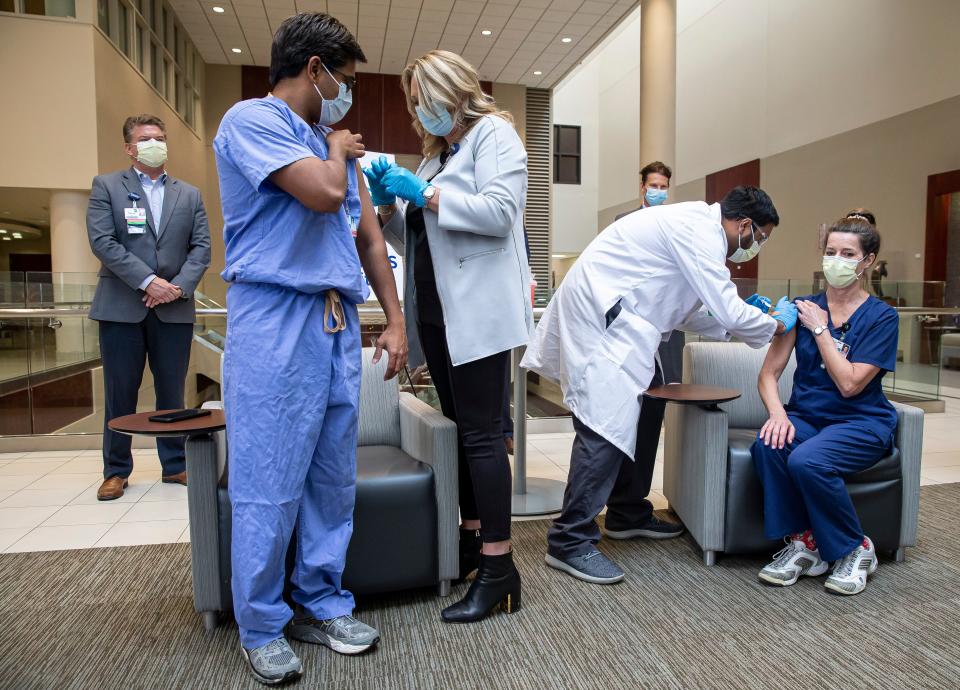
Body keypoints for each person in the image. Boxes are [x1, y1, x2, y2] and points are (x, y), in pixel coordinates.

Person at [213, 13, 407, 685]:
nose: (348, 93)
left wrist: (395, 319)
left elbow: (370, 239)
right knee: (268, 479)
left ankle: (322, 600)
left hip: (334, 324)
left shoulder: (332, 144)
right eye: (345, 79)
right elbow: (325, 196)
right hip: (273, 320)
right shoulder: (251, 122)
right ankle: (262, 623)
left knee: (331, 477)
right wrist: (339, 152)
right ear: (315, 69)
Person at [522, 186, 798, 584]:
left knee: (650, 407)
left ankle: (626, 511)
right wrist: (773, 324)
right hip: (605, 325)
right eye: (760, 237)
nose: (755, 246)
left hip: (629, 325)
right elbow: (723, 305)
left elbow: (691, 311)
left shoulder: (697, 233)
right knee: (604, 429)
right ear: (745, 224)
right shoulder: (700, 231)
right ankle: (569, 540)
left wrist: (737, 318)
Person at [364, 50, 533, 623]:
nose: (418, 108)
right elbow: (425, 238)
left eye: (423, 95)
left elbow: (500, 212)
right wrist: (389, 203)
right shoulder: (439, 156)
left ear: (453, 89)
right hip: (436, 313)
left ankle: (500, 569)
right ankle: (470, 542)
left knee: (484, 438)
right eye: (412, 99)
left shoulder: (495, 136)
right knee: (464, 433)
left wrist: (425, 195)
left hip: (479, 315)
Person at [752, 212, 897, 596]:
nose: (836, 260)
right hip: (808, 417)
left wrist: (820, 329)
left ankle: (856, 547)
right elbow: (768, 375)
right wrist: (778, 414)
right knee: (769, 443)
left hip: (861, 422)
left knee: (808, 460)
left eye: (847, 253)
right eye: (830, 251)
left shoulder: (882, 318)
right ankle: (806, 544)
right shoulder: (802, 308)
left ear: (867, 262)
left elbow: (850, 384)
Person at [86, 114, 211, 501]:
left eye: (159, 137)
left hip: (173, 308)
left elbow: (202, 247)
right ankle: (116, 471)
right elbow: (103, 241)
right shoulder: (107, 186)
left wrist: (175, 288)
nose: (154, 144)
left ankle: (174, 465)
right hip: (122, 308)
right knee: (120, 391)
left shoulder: (188, 194)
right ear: (129, 147)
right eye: (145, 139)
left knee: (172, 391)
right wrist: (148, 281)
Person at [602, 160, 686, 543]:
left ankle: (630, 509)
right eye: (653, 185)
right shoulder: (624, 223)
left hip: (664, 343)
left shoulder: (677, 225)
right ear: (641, 187)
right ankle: (617, 506)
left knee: (651, 422)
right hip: (630, 337)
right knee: (620, 422)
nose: (658, 191)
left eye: (664, 185)